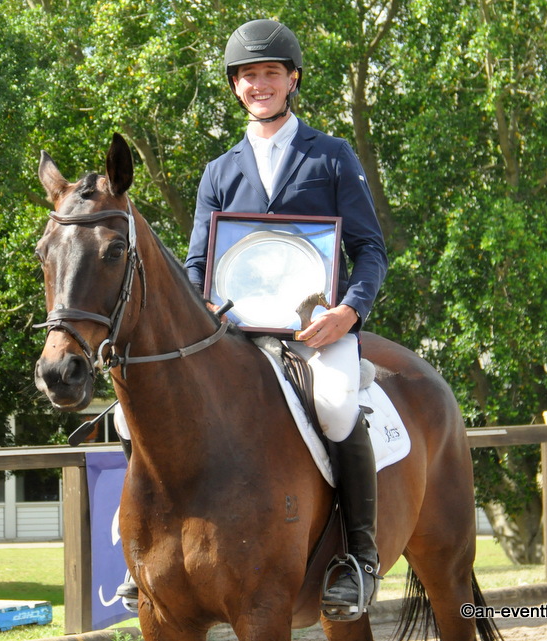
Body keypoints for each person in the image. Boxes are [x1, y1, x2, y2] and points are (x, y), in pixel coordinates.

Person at [182, 18, 388, 618]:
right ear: (235, 86)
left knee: (337, 405)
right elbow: (196, 263)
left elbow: (370, 250)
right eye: (248, 75)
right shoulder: (219, 171)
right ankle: (151, 553)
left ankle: (359, 556)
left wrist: (350, 311)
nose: (260, 84)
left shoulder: (331, 155)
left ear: (292, 79)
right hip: (236, 336)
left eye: (271, 73)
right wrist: (205, 304)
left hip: (315, 332)